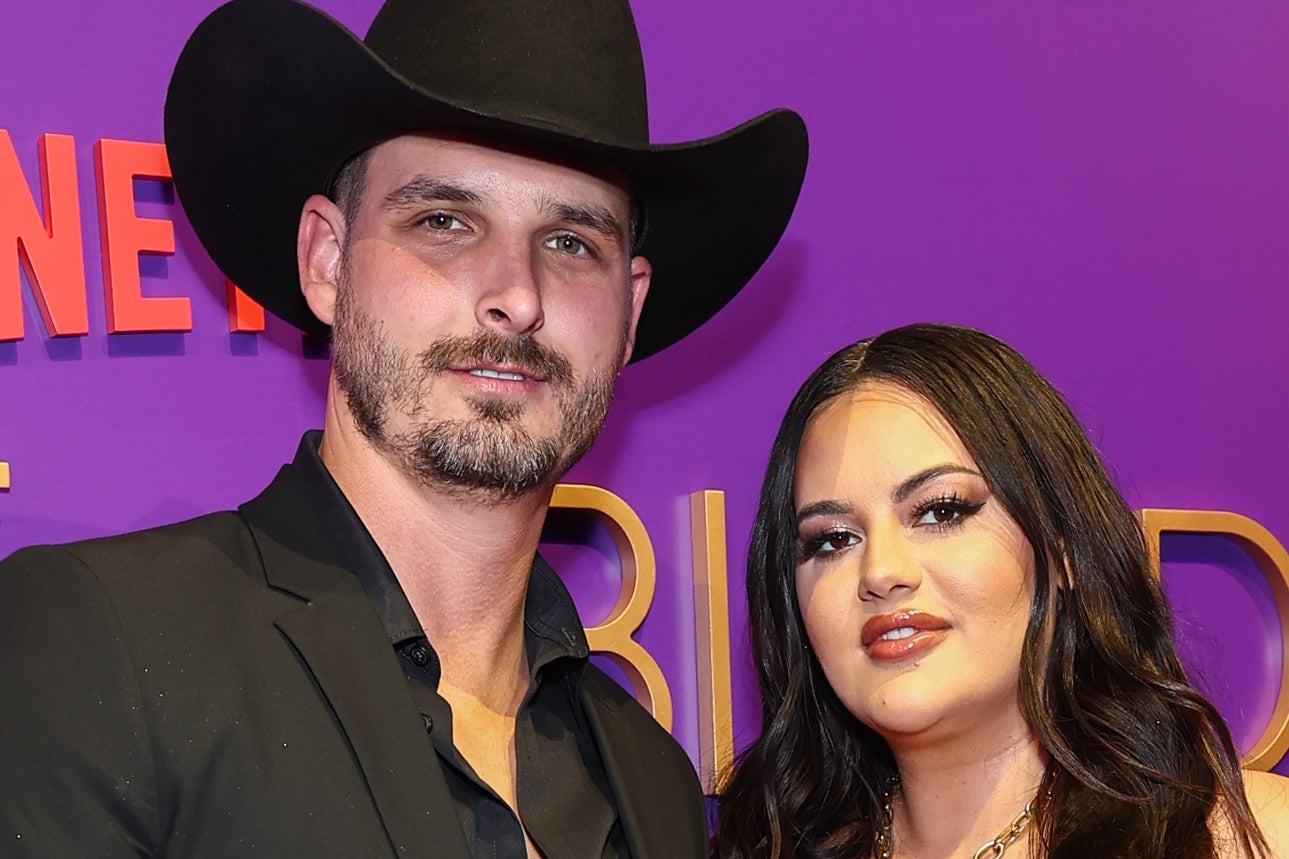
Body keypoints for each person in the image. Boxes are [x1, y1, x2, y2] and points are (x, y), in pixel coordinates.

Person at [0, 1, 807, 856]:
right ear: (326, 259)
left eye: (570, 242)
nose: (517, 296)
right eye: (444, 222)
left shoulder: (653, 780)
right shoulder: (106, 644)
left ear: (629, 310)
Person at [712, 323, 1289, 859]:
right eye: (834, 540)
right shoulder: (767, 847)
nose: (881, 571)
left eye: (941, 511)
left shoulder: (1249, 836)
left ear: (1060, 549)